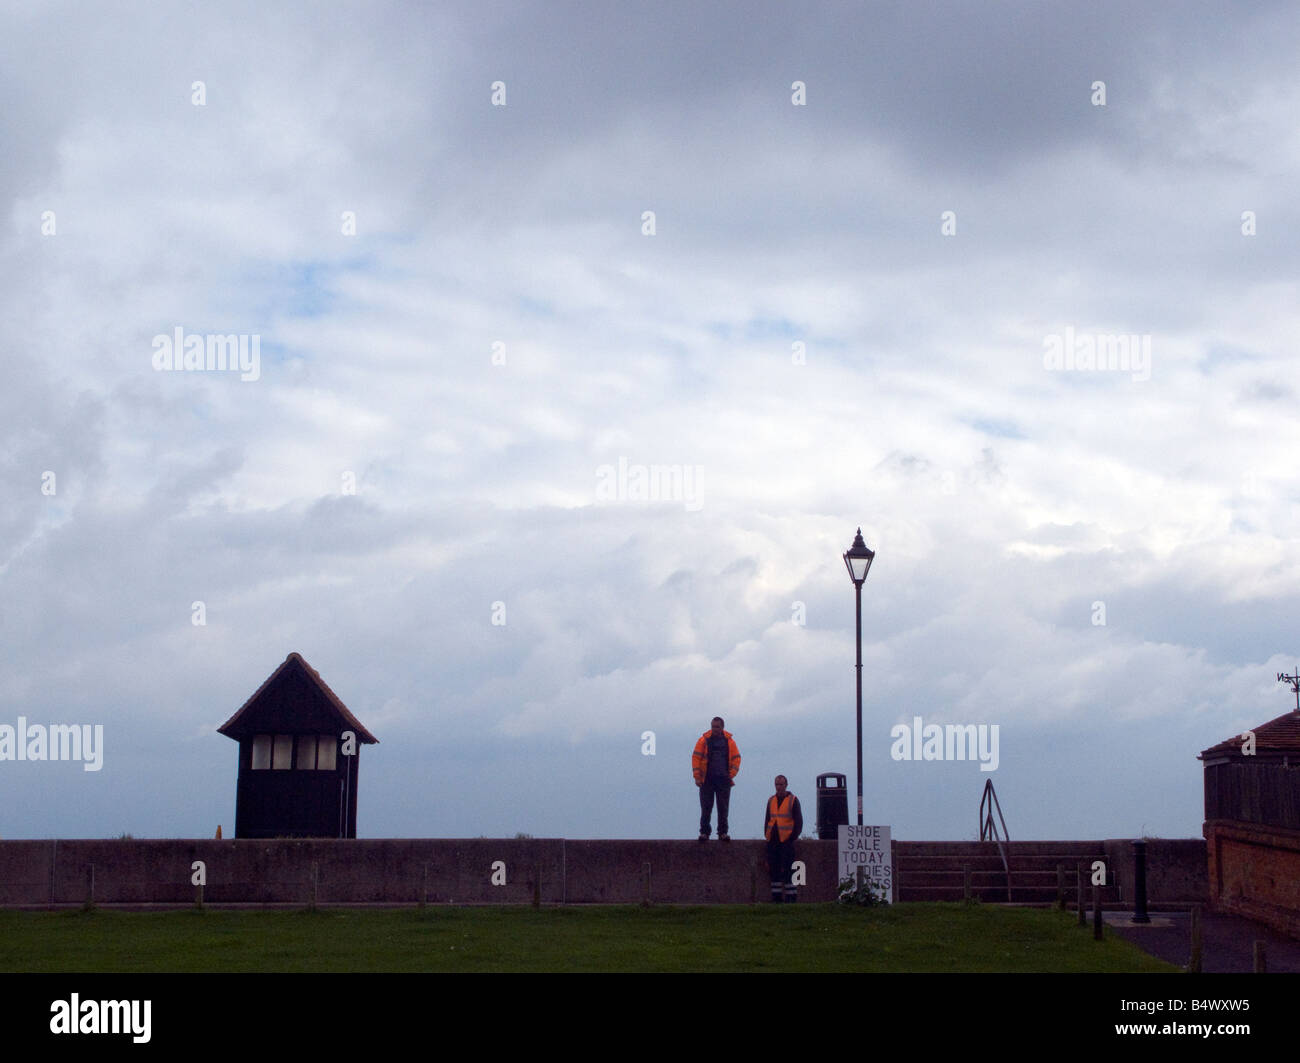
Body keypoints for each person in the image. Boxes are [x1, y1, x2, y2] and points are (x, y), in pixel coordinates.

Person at [692, 717, 740, 840]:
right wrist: (697, 777)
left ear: (722, 727)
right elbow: (696, 758)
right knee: (706, 808)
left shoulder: (730, 742)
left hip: (723, 780)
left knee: (723, 808)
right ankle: (704, 833)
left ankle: (722, 833)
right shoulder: (703, 741)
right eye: (713, 726)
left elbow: (736, 758)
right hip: (706, 779)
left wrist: (731, 775)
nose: (714, 729)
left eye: (717, 727)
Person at [764, 775, 803, 902]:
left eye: (781, 784)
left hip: (786, 841)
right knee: (774, 870)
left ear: (786, 785)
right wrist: (767, 835)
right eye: (777, 784)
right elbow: (767, 819)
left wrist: (792, 837)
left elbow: (798, 821)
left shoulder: (793, 800)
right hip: (773, 841)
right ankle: (776, 898)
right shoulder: (771, 800)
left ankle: (791, 898)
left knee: (788, 869)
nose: (779, 787)